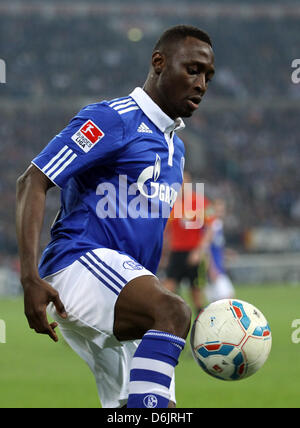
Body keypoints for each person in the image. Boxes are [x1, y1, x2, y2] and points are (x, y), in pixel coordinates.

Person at [16, 25, 215, 408]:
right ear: (159, 62)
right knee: (173, 311)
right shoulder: (113, 119)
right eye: (192, 69)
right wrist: (29, 277)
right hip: (76, 265)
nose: (201, 84)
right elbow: (33, 181)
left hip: (126, 289)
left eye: (207, 76)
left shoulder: (177, 151)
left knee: (144, 409)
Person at [163, 171, 214, 313]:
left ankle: (202, 328)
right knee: (167, 291)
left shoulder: (201, 202)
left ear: (189, 183)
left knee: (197, 295)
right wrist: (163, 253)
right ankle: (168, 325)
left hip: (194, 253)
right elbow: (165, 231)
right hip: (176, 252)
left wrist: (199, 251)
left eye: (183, 182)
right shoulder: (172, 204)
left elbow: (210, 229)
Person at [205, 198, 235, 303]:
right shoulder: (211, 225)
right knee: (228, 299)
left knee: (218, 303)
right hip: (213, 269)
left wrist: (225, 253)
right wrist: (211, 268)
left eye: (222, 209)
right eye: (218, 209)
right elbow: (206, 247)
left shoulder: (218, 225)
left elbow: (216, 247)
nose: (221, 212)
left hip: (219, 268)